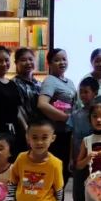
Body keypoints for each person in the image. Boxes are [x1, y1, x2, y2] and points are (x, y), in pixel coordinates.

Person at [37, 48, 77, 191]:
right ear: (49, 63)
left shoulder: (70, 82)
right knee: (54, 172)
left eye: (64, 59)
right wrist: (66, 118)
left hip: (68, 133)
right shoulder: (50, 81)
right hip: (55, 135)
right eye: (57, 60)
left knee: (64, 172)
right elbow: (42, 104)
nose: (62, 62)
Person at [67, 77, 100, 201]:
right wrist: (71, 158)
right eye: (81, 92)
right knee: (78, 189)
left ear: (95, 93)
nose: (83, 95)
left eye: (86, 92)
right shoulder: (76, 114)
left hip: (95, 157)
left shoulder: (100, 114)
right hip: (78, 157)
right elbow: (72, 136)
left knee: (94, 188)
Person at [13, 47, 42, 139]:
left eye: (30, 59)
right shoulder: (13, 84)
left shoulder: (40, 84)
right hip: (23, 130)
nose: (28, 62)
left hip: (40, 129)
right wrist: (26, 129)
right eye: (23, 60)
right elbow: (18, 110)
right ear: (16, 63)